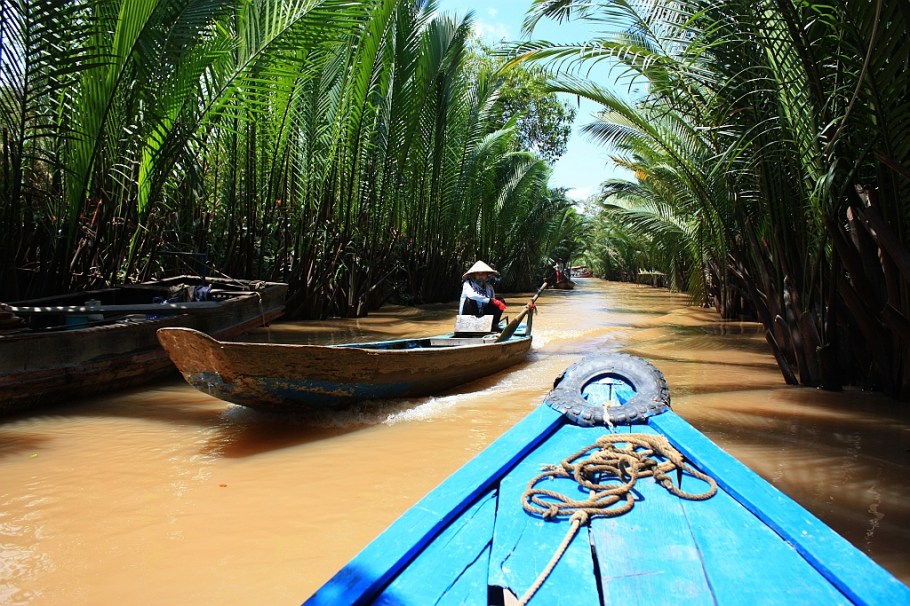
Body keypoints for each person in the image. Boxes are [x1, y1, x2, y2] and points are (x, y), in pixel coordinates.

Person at [459, 261, 506, 326]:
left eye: (483, 274)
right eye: (478, 274)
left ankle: (493, 325)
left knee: (500, 300)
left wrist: (496, 302)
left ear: (487, 276)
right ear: (474, 275)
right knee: (469, 300)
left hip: (482, 313)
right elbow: (471, 295)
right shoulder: (468, 284)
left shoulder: (489, 287)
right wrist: (490, 300)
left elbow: (493, 303)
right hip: (468, 315)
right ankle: (468, 327)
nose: (480, 276)